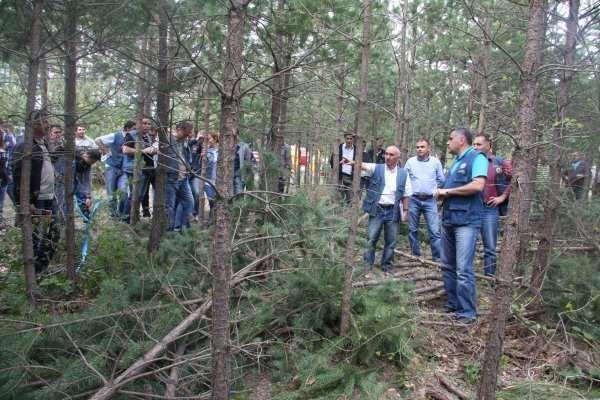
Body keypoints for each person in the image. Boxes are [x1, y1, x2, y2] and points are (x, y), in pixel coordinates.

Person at [435, 127, 488, 324]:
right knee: (448, 265)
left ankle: (467, 313)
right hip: (449, 219)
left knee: (463, 268)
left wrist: (447, 192)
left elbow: (477, 186)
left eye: (450, 138)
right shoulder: (455, 162)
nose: (448, 142)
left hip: (467, 221)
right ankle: (453, 304)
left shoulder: (477, 158)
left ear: (461, 140)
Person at [12, 110, 60, 274]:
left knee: (54, 232)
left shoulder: (44, 143)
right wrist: (24, 204)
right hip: (35, 200)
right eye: (43, 122)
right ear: (32, 125)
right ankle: (30, 273)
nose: (47, 125)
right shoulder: (23, 146)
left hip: (49, 198)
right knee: (34, 236)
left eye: (47, 121)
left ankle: (40, 269)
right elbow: (18, 178)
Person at [348, 145, 411, 272]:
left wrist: (405, 211)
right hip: (377, 210)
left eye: (391, 155)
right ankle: (367, 266)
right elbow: (364, 165)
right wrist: (353, 162)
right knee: (371, 238)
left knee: (391, 241)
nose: (387, 157)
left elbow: (406, 195)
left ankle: (386, 266)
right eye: (386, 154)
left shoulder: (404, 174)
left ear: (398, 157)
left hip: (393, 212)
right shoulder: (377, 168)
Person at [473, 133, 512, 277]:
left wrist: (502, 197)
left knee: (490, 246)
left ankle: (489, 278)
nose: (475, 147)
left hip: (490, 209)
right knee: (469, 244)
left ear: (488, 144)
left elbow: (514, 179)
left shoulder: (499, 162)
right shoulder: (472, 161)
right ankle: (469, 276)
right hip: (472, 208)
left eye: (479, 144)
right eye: (474, 144)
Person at [404, 138, 445, 262]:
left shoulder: (435, 162)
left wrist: (433, 189)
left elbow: (441, 180)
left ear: (428, 149)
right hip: (414, 199)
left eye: (422, 147)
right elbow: (404, 179)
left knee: (434, 230)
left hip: (429, 200)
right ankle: (415, 255)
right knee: (412, 229)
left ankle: (437, 259)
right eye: (417, 147)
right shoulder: (410, 162)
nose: (419, 149)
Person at [95, 121, 135, 219]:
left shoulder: (134, 139)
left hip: (124, 170)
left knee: (124, 192)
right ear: (127, 128)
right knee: (111, 193)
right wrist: (106, 152)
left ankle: (122, 215)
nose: (135, 131)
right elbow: (98, 140)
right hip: (111, 168)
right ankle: (113, 215)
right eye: (134, 129)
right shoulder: (115, 136)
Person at [330, 133, 356, 204]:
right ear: (345, 139)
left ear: (353, 139)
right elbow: (331, 162)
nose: (349, 140)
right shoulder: (339, 147)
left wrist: (353, 163)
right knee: (339, 198)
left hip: (351, 177)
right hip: (340, 176)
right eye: (347, 138)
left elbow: (359, 163)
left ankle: (348, 213)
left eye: (351, 139)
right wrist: (339, 162)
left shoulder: (356, 149)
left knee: (350, 199)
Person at [0, 123, 16, 225]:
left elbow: (11, 157)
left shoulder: (8, 138)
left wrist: (9, 173)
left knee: (10, 195)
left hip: (4, 176)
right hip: (5, 176)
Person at [204, 131, 219, 222]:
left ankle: (213, 220)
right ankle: (210, 219)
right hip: (208, 179)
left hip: (218, 180)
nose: (208, 141)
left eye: (209, 139)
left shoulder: (222, 151)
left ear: (215, 139)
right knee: (210, 199)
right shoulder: (206, 151)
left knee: (216, 200)